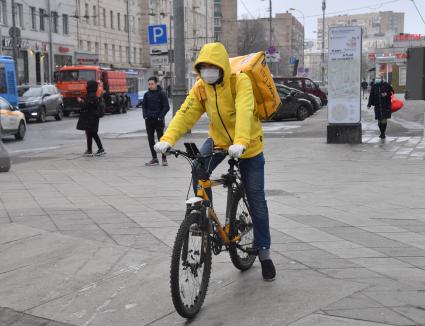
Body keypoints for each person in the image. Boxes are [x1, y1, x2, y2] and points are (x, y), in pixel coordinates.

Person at [154, 42, 276, 281]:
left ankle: (264, 253)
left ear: (221, 65)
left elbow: (244, 110)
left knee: (256, 199)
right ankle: (204, 216)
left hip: (248, 145)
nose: (207, 70)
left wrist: (241, 141)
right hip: (219, 141)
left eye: (212, 66)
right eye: (203, 67)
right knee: (198, 167)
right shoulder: (201, 87)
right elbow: (185, 113)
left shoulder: (239, 81)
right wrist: (168, 139)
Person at [142, 76, 170, 166]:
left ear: (156, 83)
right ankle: (154, 158)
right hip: (149, 120)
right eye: (149, 84)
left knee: (161, 140)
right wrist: (145, 116)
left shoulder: (162, 93)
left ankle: (164, 159)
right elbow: (144, 107)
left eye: (152, 84)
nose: (150, 86)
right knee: (150, 139)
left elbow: (166, 107)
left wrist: (160, 117)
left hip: (159, 120)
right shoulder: (146, 94)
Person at [76, 80, 105, 156]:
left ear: (90, 86)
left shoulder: (91, 95)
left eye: (88, 85)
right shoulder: (92, 94)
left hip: (90, 117)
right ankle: (98, 149)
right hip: (93, 117)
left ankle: (91, 150)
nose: (86, 86)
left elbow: (87, 106)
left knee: (90, 133)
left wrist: (80, 101)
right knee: (92, 133)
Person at [367, 75, 394, 139]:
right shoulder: (374, 86)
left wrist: (386, 94)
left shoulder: (386, 85)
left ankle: (383, 133)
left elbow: (392, 92)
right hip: (378, 105)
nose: (378, 79)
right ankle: (382, 132)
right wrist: (369, 104)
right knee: (379, 120)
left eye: (379, 78)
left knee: (384, 120)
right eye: (377, 78)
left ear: (382, 79)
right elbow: (371, 95)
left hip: (385, 105)